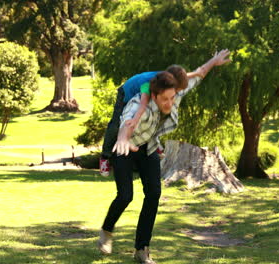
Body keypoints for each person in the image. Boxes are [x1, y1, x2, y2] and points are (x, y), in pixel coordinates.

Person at [98, 49, 231, 264]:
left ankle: (142, 249)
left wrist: (213, 62)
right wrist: (121, 139)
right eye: (165, 99)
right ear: (154, 96)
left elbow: (197, 75)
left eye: (173, 97)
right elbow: (126, 123)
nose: (170, 103)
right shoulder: (137, 105)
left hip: (148, 148)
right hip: (125, 149)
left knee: (153, 195)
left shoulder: (174, 93)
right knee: (125, 196)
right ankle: (106, 231)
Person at [99, 66, 204, 176]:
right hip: (126, 93)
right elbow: (142, 105)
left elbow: (185, 75)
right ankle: (105, 157)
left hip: (144, 94)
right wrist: (134, 120)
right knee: (116, 125)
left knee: (155, 116)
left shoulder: (169, 77)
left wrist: (196, 73)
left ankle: (154, 143)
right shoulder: (149, 84)